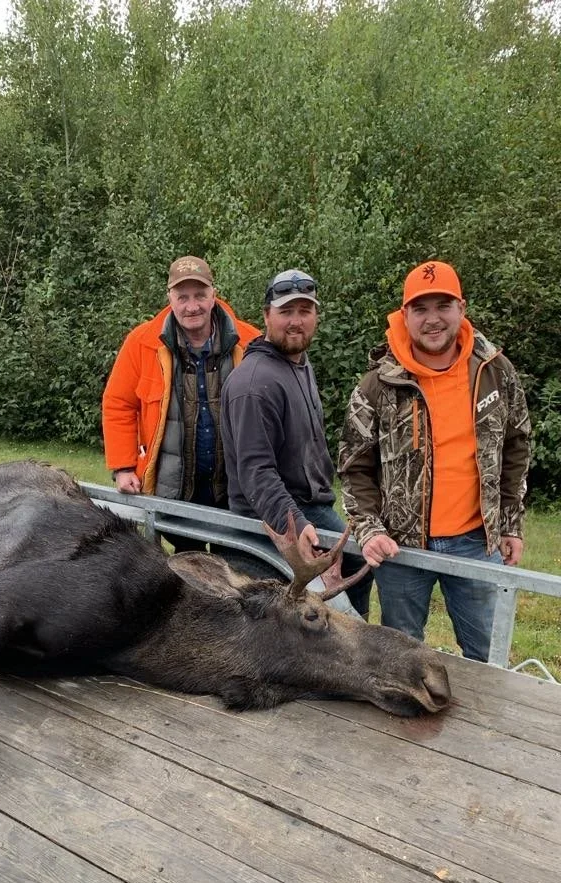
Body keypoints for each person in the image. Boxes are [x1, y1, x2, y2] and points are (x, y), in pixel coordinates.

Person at [338, 260, 531, 662]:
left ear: (461, 308)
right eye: (420, 308)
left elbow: (515, 445)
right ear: (404, 315)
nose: (433, 319)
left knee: (487, 657)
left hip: (477, 543)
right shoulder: (377, 384)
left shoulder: (495, 372)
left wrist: (510, 523)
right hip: (400, 550)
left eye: (443, 306)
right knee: (401, 659)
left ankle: (488, 726)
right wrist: (370, 530)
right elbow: (354, 466)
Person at [220, 269, 372, 617]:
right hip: (272, 517)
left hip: (310, 504)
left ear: (316, 316)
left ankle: (357, 643)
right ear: (266, 316)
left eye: (304, 312)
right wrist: (298, 525)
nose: (295, 322)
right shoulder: (255, 383)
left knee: (362, 560)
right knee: (331, 613)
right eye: (286, 312)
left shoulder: (298, 364)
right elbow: (256, 472)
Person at [102, 257, 258, 533]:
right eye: (182, 297)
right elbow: (119, 404)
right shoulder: (141, 342)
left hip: (237, 490)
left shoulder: (252, 342)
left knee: (237, 568)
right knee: (184, 569)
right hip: (174, 489)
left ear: (214, 295)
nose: (192, 306)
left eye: (200, 295)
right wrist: (123, 467)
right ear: (169, 298)